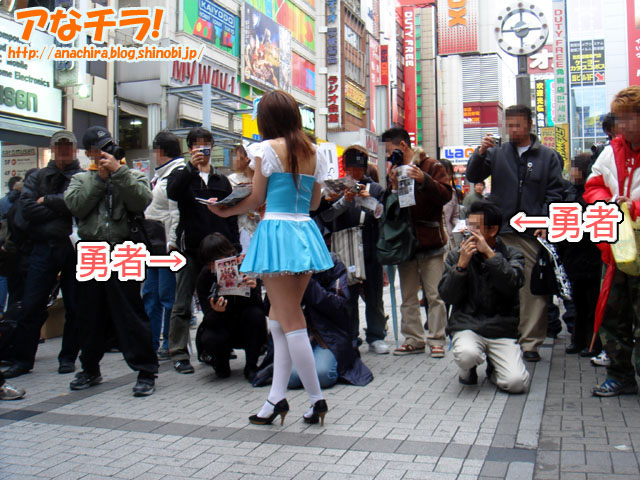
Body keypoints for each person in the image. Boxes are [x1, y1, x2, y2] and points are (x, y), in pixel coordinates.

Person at [208, 90, 332, 426]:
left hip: (277, 232)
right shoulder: (314, 152)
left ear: (266, 119)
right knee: (278, 317)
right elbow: (314, 203)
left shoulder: (265, 150)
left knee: (289, 319)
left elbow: (257, 198)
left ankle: (317, 400)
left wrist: (224, 210)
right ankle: (276, 399)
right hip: (305, 232)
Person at [64, 126, 158, 396]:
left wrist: (118, 173)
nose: (105, 153)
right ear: (90, 153)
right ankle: (90, 369)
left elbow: (141, 200)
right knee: (89, 313)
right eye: (99, 149)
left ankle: (146, 371)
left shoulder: (132, 175)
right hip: (92, 250)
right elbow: (76, 206)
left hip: (124, 249)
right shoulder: (81, 179)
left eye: (108, 146)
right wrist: (100, 179)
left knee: (131, 312)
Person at [466, 105, 564, 362]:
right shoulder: (497, 153)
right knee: (501, 286)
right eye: (509, 125)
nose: (513, 130)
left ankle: (530, 343)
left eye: (518, 125)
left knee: (532, 290)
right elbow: (473, 175)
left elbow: (555, 192)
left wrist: (546, 220)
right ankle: (504, 338)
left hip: (531, 231)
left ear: (529, 124)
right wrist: (480, 153)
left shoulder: (547, 156)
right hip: (501, 230)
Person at [2, 131, 83, 379]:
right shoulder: (37, 176)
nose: (63, 150)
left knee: (75, 306)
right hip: (42, 248)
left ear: (74, 149)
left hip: (73, 248)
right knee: (31, 305)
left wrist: (46, 201)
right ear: (52, 149)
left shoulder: (82, 177)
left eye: (67, 146)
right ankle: (23, 359)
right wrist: (60, 209)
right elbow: (27, 209)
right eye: (59, 146)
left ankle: (68, 357)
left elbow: (77, 205)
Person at [166, 127, 239, 374]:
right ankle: (178, 353)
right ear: (189, 149)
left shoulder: (221, 180)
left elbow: (231, 215)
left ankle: (221, 344)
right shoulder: (182, 175)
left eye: (206, 145)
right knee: (182, 303)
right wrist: (191, 168)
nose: (202, 150)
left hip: (220, 252)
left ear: (212, 147)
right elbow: (172, 193)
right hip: (191, 249)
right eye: (197, 145)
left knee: (224, 297)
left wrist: (235, 246)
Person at [439, 200, 530, 393]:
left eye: (475, 228)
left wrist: (490, 255)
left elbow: (511, 284)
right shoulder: (457, 255)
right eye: (468, 226)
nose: (469, 232)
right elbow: (447, 296)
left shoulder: (512, 255)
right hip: (467, 325)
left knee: (516, 383)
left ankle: (495, 369)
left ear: (492, 230)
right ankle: (468, 369)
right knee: (466, 354)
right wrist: (461, 267)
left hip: (501, 329)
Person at [584, 86, 640, 397]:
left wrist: (634, 207)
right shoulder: (611, 151)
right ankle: (620, 375)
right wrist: (607, 203)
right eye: (620, 118)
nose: (622, 125)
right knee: (613, 314)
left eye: (629, 118)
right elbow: (593, 185)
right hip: (616, 248)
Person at [381, 128, 452, 358]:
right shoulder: (394, 171)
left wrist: (424, 180)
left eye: (390, 151)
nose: (389, 157)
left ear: (402, 145)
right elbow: (391, 209)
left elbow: (447, 195)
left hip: (431, 241)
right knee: (408, 295)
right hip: (406, 243)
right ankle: (413, 339)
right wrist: (392, 187)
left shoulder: (432, 166)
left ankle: (437, 339)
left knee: (434, 295)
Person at [319, 145, 388, 354]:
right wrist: (343, 200)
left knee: (374, 294)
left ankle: (376, 335)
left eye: (358, 169)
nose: (354, 173)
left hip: (370, 246)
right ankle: (350, 336)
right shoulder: (336, 189)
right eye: (350, 169)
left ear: (364, 168)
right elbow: (326, 217)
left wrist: (367, 200)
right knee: (348, 295)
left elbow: (382, 216)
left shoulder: (375, 188)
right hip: (344, 246)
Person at [194, 233, 267, 380]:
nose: (217, 266)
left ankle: (251, 366)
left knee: (256, 315)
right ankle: (221, 364)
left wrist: (253, 288)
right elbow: (207, 317)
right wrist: (216, 311)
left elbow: (260, 308)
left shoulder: (245, 268)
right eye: (212, 263)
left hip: (245, 325)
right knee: (210, 337)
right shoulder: (205, 277)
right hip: (221, 327)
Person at [556, 153, 602, 357]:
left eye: (574, 168)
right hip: (573, 255)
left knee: (592, 302)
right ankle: (578, 339)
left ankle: (593, 343)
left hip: (591, 255)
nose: (571, 172)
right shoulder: (569, 192)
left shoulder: (593, 194)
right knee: (578, 301)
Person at [142, 131, 183, 360]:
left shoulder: (175, 174)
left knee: (167, 296)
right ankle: (150, 342)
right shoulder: (161, 175)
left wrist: (173, 243)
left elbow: (176, 214)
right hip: (154, 245)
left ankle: (169, 343)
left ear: (161, 151)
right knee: (151, 294)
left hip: (166, 247)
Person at [228, 145, 259, 253]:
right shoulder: (232, 179)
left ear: (247, 159)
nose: (234, 160)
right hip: (240, 227)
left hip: (259, 227)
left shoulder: (260, 178)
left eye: (237, 156)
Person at [0, 176, 22, 318]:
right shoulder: (24, 203)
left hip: (6, 246)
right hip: (18, 249)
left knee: (4, 278)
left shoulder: (3, 202)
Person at [439, 158, 461, 249]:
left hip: (449, 237)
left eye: (450, 174)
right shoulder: (430, 190)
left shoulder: (453, 193)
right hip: (435, 237)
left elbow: (454, 216)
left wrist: (461, 226)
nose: (447, 177)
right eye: (444, 174)